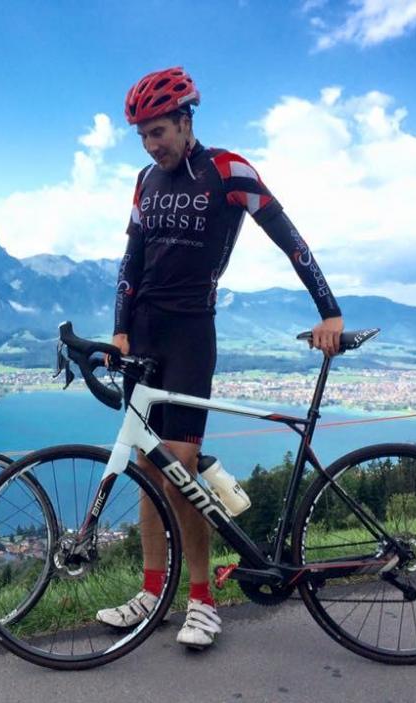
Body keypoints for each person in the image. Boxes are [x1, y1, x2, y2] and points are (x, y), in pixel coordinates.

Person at [96, 66, 344, 648]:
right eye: (142, 135)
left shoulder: (228, 170)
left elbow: (290, 238)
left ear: (186, 121)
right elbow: (131, 262)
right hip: (145, 334)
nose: (150, 145)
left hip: (190, 333)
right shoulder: (144, 181)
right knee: (147, 466)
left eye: (158, 131)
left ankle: (203, 600)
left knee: (179, 468)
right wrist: (120, 331)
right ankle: (153, 593)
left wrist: (330, 311)